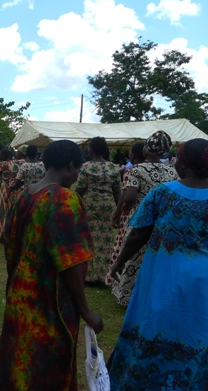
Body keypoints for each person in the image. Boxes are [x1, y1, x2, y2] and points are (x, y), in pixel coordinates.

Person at [0, 140, 103, 391]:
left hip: (22, 295)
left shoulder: (25, 195)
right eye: (78, 169)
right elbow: (71, 262)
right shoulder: (64, 200)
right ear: (72, 166)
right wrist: (85, 310)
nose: (78, 175)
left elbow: (9, 243)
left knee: (19, 362)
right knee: (47, 365)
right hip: (51, 302)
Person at [98, 139, 208, 391]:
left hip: (161, 284)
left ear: (184, 164)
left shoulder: (162, 194)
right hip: (206, 290)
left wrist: (118, 264)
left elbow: (137, 236)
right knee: (205, 345)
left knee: (143, 339)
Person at [109, 130, 178, 306]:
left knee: (133, 257)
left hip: (140, 220)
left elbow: (130, 197)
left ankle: (126, 296)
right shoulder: (172, 172)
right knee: (154, 259)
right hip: (163, 222)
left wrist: (123, 209)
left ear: (146, 150)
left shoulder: (138, 169)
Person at [75, 137, 121, 285]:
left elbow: (80, 189)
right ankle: (104, 275)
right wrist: (118, 212)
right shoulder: (113, 168)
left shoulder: (85, 167)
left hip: (90, 205)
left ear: (92, 149)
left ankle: (89, 275)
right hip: (107, 206)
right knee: (105, 239)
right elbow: (117, 192)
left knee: (88, 238)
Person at [105, 142, 145, 286]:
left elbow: (125, 195)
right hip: (149, 217)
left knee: (123, 245)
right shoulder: (164, 170)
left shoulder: (132, 171)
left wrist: (117, 213)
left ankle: (117, 279)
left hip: (131, 214)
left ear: (133, 155)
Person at [0, 148, 24, 241]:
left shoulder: (2, 164)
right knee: (13, 211)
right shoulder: (19, 163)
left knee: (3, 211)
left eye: (0, 154)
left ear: (3, 155)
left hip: (5, 190)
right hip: (16, 190)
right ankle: (13, 233)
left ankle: (1, 233)